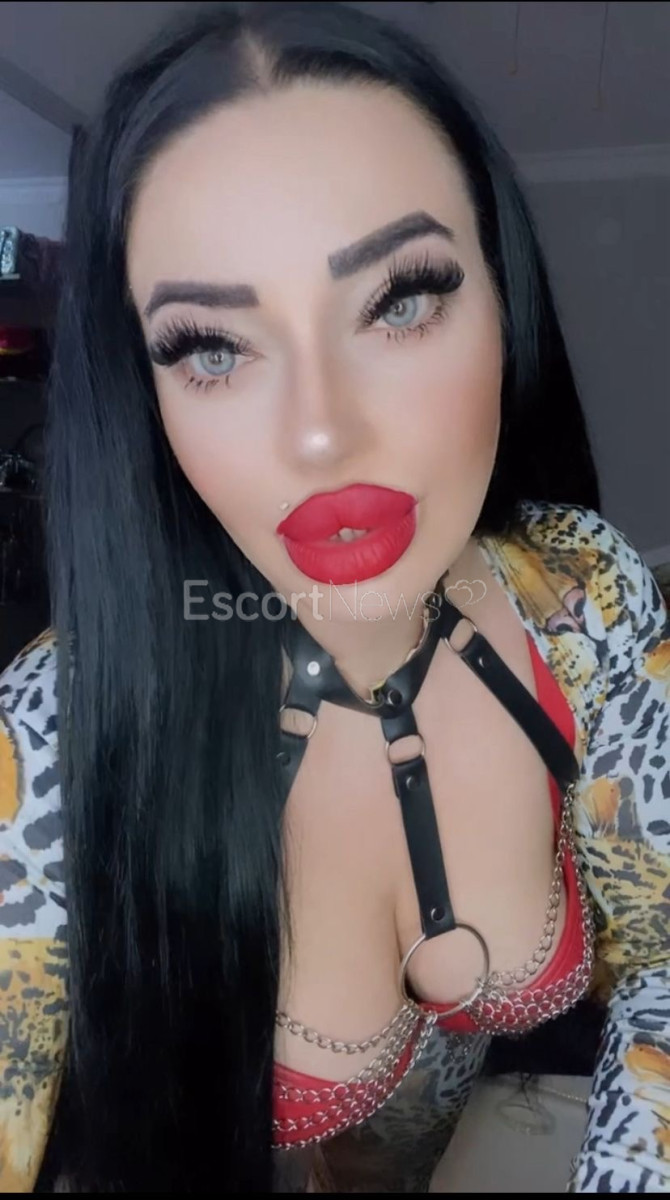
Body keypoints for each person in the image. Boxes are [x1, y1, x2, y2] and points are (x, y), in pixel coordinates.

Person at [0, 1, 667, 1192]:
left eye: (400, 299)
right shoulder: (49, 745)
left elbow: (663, 958)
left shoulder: (585, 598)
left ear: (502, 296)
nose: (320, 432)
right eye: (211, 347)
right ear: (143, 397)